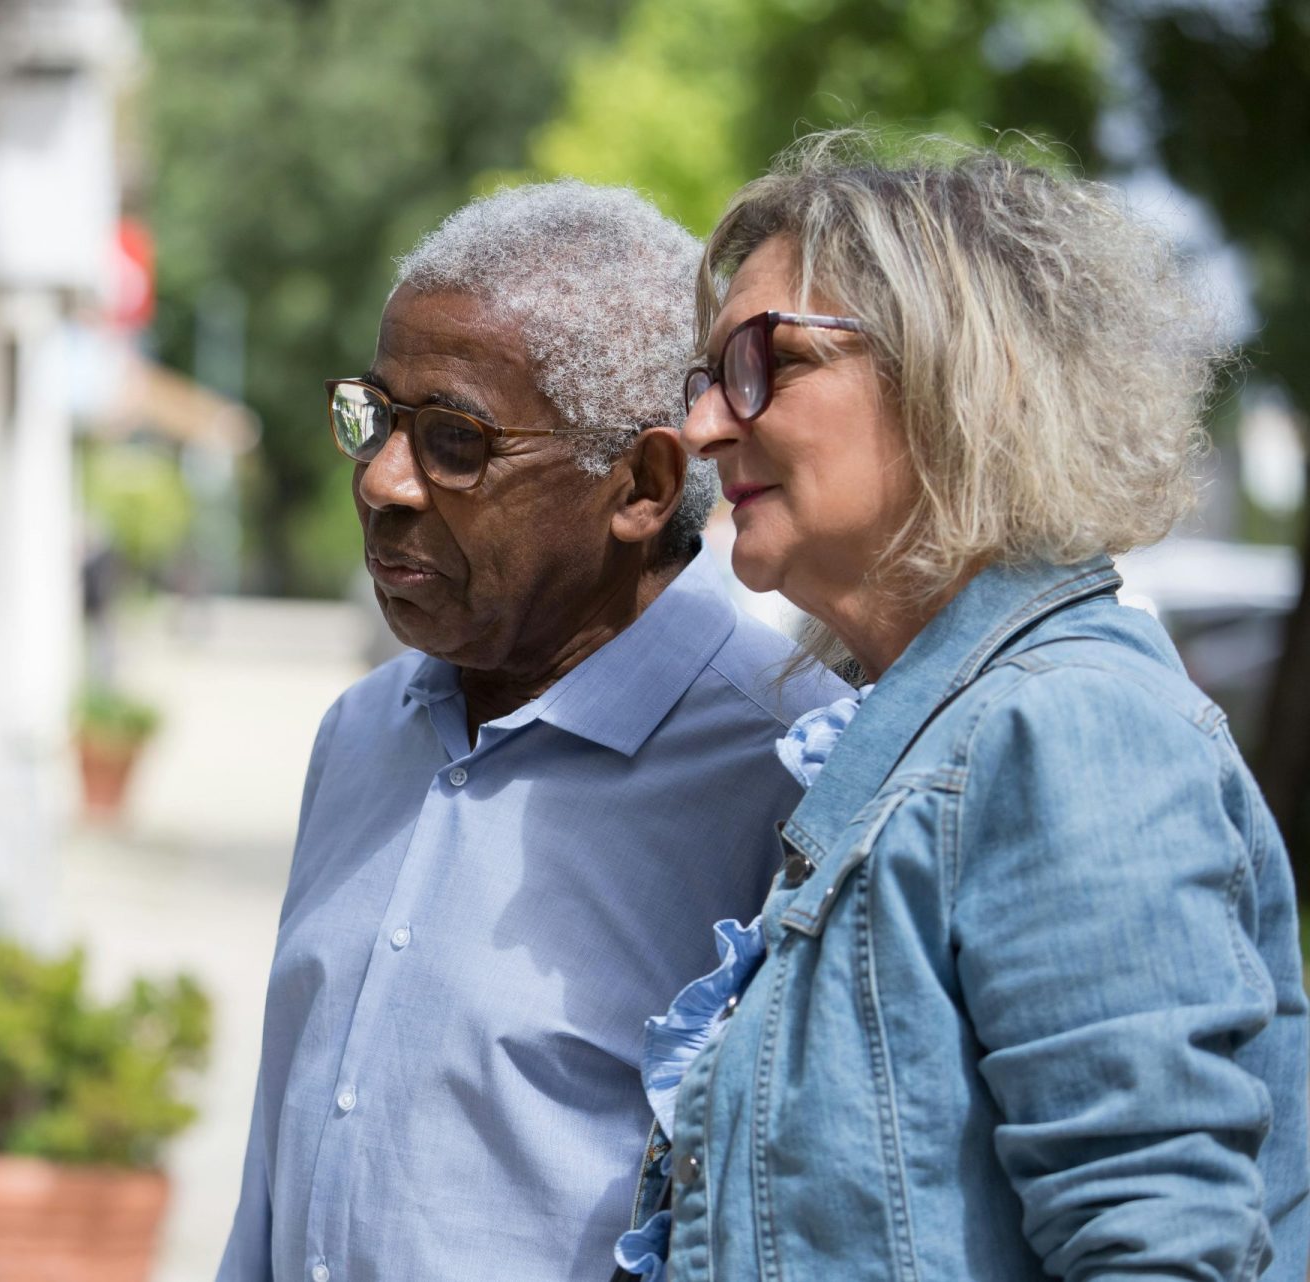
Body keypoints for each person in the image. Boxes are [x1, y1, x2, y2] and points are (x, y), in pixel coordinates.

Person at [617, 131, 1310, 1281]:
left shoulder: (1071, 730)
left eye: (759, 361)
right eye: (706, 378)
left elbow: (1159, 1251)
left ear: (957, 373)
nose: (702, 428)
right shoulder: (933, 733)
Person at [216, 180, 849, 1282]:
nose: (382, 480)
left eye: (456, 441)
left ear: (644, 485)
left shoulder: (788, 775)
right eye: (375, 417)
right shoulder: (364, 730)